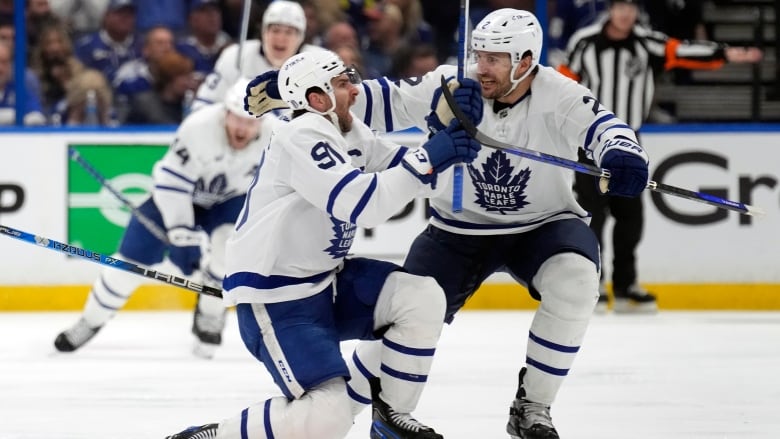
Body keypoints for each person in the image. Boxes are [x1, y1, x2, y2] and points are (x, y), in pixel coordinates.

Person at [243, 8, 649, 439]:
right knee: (406, 314)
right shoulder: (452, 83)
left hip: (542, 225)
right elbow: (375, 102)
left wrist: (623, 155)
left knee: (577, 280)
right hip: (458, 230)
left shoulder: (560, 94)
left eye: (494, 58)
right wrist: (297, 90)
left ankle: (532, 406)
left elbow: (606, 128)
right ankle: (352, 411)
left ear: (526, 61)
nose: (481, 66)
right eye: (479, 54)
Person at [165, 49, 482, 439]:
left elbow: (404, 169)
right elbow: (364, 203)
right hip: (279, 301)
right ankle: (219, 434)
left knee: (422, 297)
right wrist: (431, 156)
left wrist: (445, 146)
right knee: (328, 420)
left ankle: (391, 420)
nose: (354, 89)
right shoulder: (301, 136)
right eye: (343, 83)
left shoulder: (348, 129)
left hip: (327, 282)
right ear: (317, 99)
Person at [558, 0, 763, 313]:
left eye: (631, 7)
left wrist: (724, 53)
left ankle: (626, 287)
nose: (626, 13)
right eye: (620, 6)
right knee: (590, 214)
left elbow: (683, 51)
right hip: (590, 142)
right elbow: (562, 82)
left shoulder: (646, 43)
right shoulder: (584, 42)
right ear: (610, 9)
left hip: (629, 142)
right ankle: (591, 281)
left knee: (631, 217)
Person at [54, 78, 264, 359]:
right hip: (177, 197)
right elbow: (173, 184)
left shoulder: (276, 136)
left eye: (250, 122)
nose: (242, 128)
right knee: (127, 264)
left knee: (229, 250)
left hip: (230, 200)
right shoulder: (199, 127)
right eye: (237, 119)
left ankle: (210, 312)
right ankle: (90, 321)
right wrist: (180, 232)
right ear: (225, 112)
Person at [191, 0, 320, 111]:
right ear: (263, 32)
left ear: (300, 37)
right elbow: (204, 104)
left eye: (289, 32)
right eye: (275, 30)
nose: (281, 38)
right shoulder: (237, 55)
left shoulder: (318, 64)